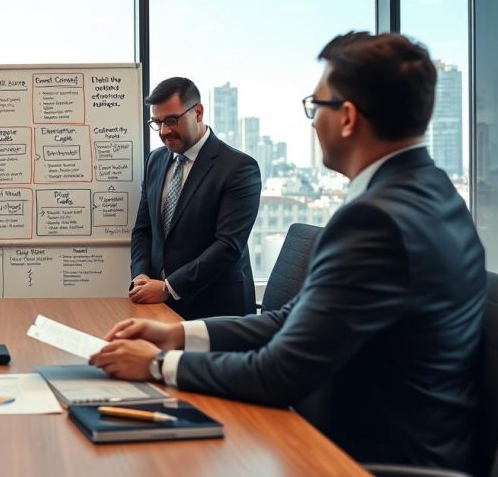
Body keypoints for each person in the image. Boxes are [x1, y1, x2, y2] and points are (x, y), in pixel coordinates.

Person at [91, 32, 485, 471]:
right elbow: (294, 317)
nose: (313, 122)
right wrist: (178, 334)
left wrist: (159, 365)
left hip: (363, 457)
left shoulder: (376, 220)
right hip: (403, 441)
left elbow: (278, 374)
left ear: (348, 117)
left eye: (316, 107)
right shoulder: (437, 195)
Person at [129, 77, 262, 319]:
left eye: (171, 120)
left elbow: (228, 247)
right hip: (159, 305)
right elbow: (143, 230)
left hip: (216, 311)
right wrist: (141, 275)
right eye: (157, 122)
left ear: (198, 112)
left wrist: (169, 288)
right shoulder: (155, 161)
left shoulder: (238, 167)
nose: (164, 131)